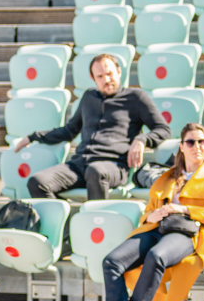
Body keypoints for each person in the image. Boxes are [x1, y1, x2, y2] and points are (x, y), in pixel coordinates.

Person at [102, 122, 204, 301]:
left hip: (189, 233)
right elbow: (148, 212)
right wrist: (150, 217)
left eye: (202, 142)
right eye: (191, 142)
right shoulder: (167, 177)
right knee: (111, 261)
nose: (197, 146)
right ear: (181, 147)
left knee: (156, 256)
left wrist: (184, 209)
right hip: (157, 228)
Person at [15, 53, 171, 201]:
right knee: (37, 182)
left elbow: (163, 129)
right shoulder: (89, 97)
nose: (106, 80)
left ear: (119, 72)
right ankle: (67, 219)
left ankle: (96, 217)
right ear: (93, 78)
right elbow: (69, 131)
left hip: (113, 166)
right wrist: (33, 137)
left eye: (109, 74)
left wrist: (142, 139)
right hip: (79, 165)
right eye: (100, 76)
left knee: (95, 171)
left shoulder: (136, 97)